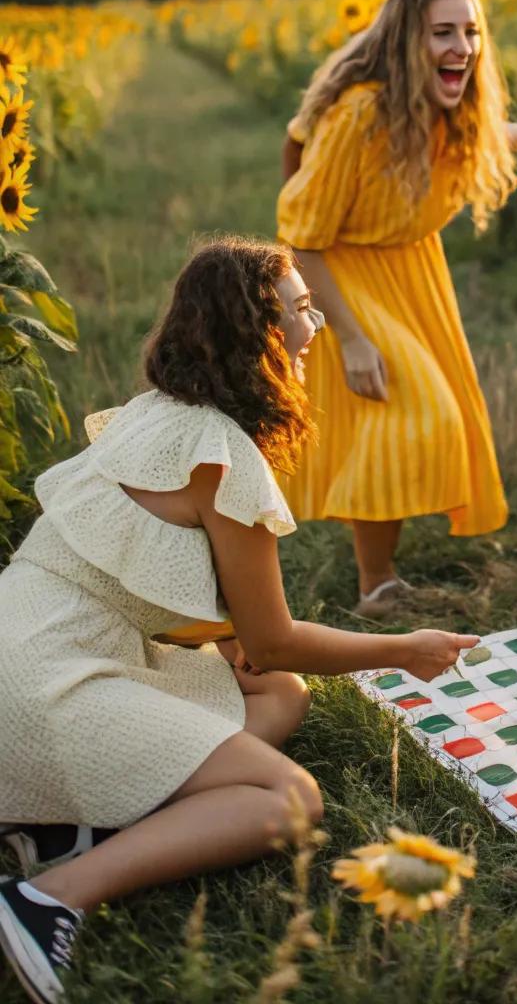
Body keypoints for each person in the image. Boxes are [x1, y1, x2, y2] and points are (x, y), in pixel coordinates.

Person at [0, 237, 477, 1004]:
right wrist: (403, 649)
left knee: (279, 692)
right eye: (300, 309)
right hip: (50, 685)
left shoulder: (158, 411)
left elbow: (161, 588)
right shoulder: (224, 458)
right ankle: (50, 897)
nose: (314, 323)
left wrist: (230, 639)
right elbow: (275, 637)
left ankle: (69, 825)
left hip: (28, 639)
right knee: (290, 802)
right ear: (259, 334)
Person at [277, 0, 517, 614]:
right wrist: (351, 338)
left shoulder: (444, 106)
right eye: (443, 31)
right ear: (407, 40)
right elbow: (302, 235)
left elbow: (463, 141)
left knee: (388, 422)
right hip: (343, 273)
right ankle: (363, 583)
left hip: (412, 272)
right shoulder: (360, 115)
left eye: (470, 32)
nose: (462, 47)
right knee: (419, 413)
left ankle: (376, 585)